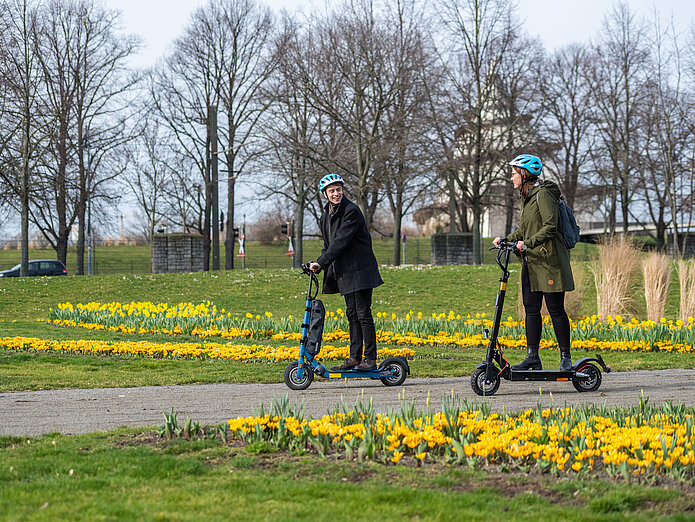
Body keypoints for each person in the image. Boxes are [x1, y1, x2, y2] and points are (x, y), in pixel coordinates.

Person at [493, 154, 575, 371]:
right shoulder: (526, 197)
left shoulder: (544, 195)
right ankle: (533, 357)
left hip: (549, 261)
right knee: (531, 309)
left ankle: (565, 357)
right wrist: (506, 239)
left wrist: (527, 243)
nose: (511, 178)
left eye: (513, 174)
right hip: (532, 261)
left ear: (524, 174)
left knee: (555, 309)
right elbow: (524, 229)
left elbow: (550, 226)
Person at [309, 173, 384, 371]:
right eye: (332, 191)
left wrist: (323, 262)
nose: (336, 194)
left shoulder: (351, 211)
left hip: (360, 271)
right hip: (346, 273)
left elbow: (341, 242)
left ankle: (369, 359)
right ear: (325, 194)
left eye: (339, 190)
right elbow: (329, 245)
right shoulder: (326, 215)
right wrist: (319, 263)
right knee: (352, 314)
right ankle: (354, 357)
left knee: (363, 314)